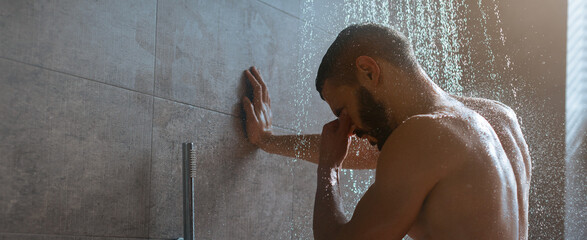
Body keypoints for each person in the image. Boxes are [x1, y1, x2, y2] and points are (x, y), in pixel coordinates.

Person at [242, 23, 531, 240]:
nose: (348, 128)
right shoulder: (493, 119)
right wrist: (266, 140)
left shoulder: (424, 134)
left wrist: (329, 167)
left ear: (368, 71)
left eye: (343, 110)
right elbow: (367, 151)